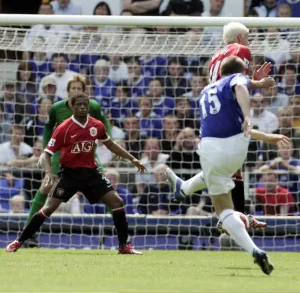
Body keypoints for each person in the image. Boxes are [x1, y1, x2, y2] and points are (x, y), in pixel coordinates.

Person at [174, 56, 287, 274]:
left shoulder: (205, 92)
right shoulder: (237, 80)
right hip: (237, 149)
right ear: (241, 71)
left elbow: (240, 87)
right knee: (219, 174)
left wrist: (252, 95)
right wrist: (254, 122)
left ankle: (255, 250)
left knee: (224, 210)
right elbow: (241, 87)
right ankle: (185, 188)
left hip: (210, 146)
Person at [167, 21, 276, 230]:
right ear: (240, 38)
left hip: (212, 111)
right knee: (232, 166)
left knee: (230, 169)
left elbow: (226, 82)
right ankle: (235, 217)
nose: (248, 42)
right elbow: (236, 82)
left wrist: (253, 81)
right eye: (247, 37)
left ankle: (227, 213)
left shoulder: (215, 57)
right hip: (228, 109)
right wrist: (258, 84)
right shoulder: (241, 49)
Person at [6, 92, 146, 254]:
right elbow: (46, 154)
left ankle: (124, 246)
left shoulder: (96, 125)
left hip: (91, 173)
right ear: (72, 107)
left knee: (117, 202)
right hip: (70, 175)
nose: (82, 107)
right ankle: (18, 241)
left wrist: (132, 159)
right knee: (48, 208)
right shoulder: (63, 128)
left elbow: (111, 145)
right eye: (79, 104)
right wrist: (50, 172)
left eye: (85, 104)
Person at [22, 75, 111, 247]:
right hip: (62, 155)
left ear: (84, 92)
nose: (76, 91)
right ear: (68, 91)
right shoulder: (57, 108)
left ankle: (123, 235)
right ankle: (28, 233)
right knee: (46, 186)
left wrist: (108, 139)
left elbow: (104, 122)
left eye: (79, 89)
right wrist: (48, 149)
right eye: (73, 89)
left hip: (87, 154)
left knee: (107, 191)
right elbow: (48, 128)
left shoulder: (93, 106)